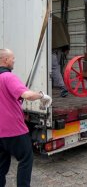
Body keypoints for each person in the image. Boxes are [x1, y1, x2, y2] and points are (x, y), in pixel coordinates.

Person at [0, 48, 52, 187]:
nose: (14, 60)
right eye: (12, 58)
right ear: (5, 60)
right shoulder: (8, 77)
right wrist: (42, 95)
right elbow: (27, 95)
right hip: (14, 130)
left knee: (1, 166)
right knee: (25, 159)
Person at [52, 15, 70, 97]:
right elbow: (66, 34)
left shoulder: (44, 21)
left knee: (54, 68)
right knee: (56, 68)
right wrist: (67, 47)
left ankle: (63, 87)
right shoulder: (59, 20)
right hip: (59, 47)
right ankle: (58, 86)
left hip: (51, 48)